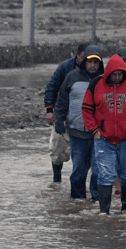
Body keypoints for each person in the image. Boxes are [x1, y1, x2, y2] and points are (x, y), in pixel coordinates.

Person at [82, 53, 126, 214]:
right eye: (115, 74)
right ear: (109, 73)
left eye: (121, 74)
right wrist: (95, 131)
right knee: (105, 174)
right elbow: (86, 109)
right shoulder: (96, 83)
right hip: (104, 140)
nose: (118, 77)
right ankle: (104, 212)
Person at [54, 45, 103, 201]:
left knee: (97, 170)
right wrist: (59, 121)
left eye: (96, 62)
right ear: (84, 62)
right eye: (90, 62)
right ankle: (77, 201)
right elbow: (61, 100)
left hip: (99, 134)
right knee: (79, 170)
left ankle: (97, 200)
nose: (93, 65)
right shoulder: (72, 76)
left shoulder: (104, 79)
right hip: (76, 131)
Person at [45, 42, 88, 183]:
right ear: (77, 56)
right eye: (83, 58)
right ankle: (56, 180)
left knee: (83, 153)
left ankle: (79, 182)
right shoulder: (65, 67)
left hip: (85, 116)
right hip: (63, 112)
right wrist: (49, 110)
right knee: (57, 149)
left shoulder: (96, 71)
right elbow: (52, 87)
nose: (87, 62)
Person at [112, 46, 126, 197]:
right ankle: (116, 188)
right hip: (110, 129)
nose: (125, 65)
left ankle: (123, 190)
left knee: (125, 162)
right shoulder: (105, 81)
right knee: (112, 162)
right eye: (123, 61)